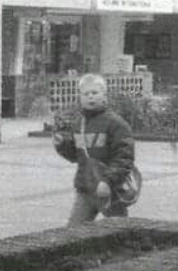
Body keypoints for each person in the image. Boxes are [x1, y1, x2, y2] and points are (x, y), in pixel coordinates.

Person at [53, 74, 136, 225]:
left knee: (118, 232)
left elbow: (124, 158)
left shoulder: (116, 123)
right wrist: (62, 145)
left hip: (110, 191)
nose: (90, 97)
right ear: (80, 97)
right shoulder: (78, 124)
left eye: (95, 93)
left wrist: (108, 181)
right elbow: (75, 156)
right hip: (85, 188)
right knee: (73, 232)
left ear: (104, 95)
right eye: (86, 94)